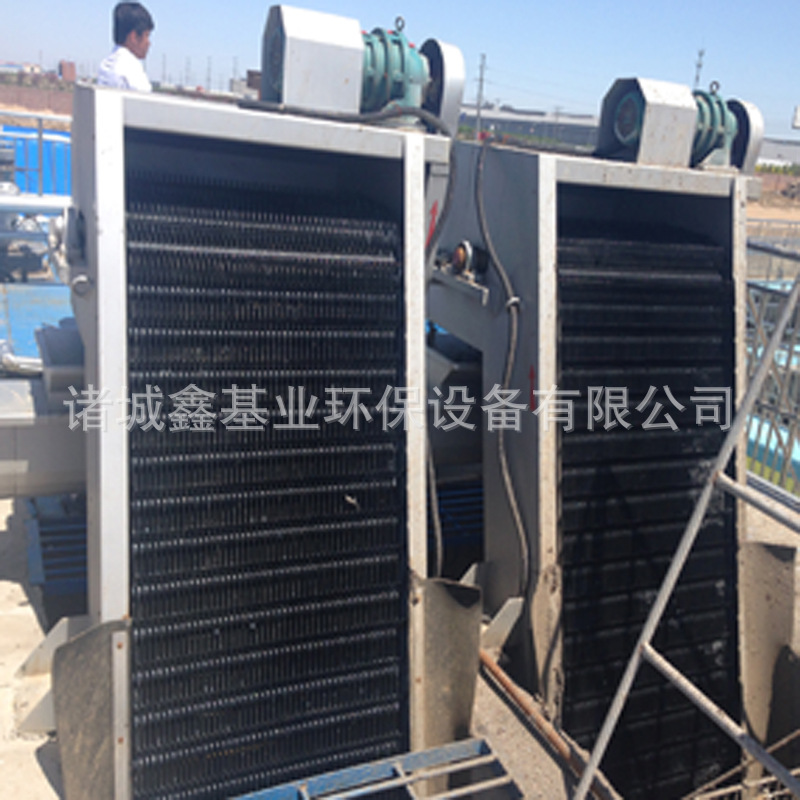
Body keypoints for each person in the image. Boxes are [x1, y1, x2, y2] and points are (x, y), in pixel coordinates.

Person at [97, 3, 154, 91]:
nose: (149, 43)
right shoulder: (132, 70)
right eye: (147, 35)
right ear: (133, 37)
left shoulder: (105, 65)